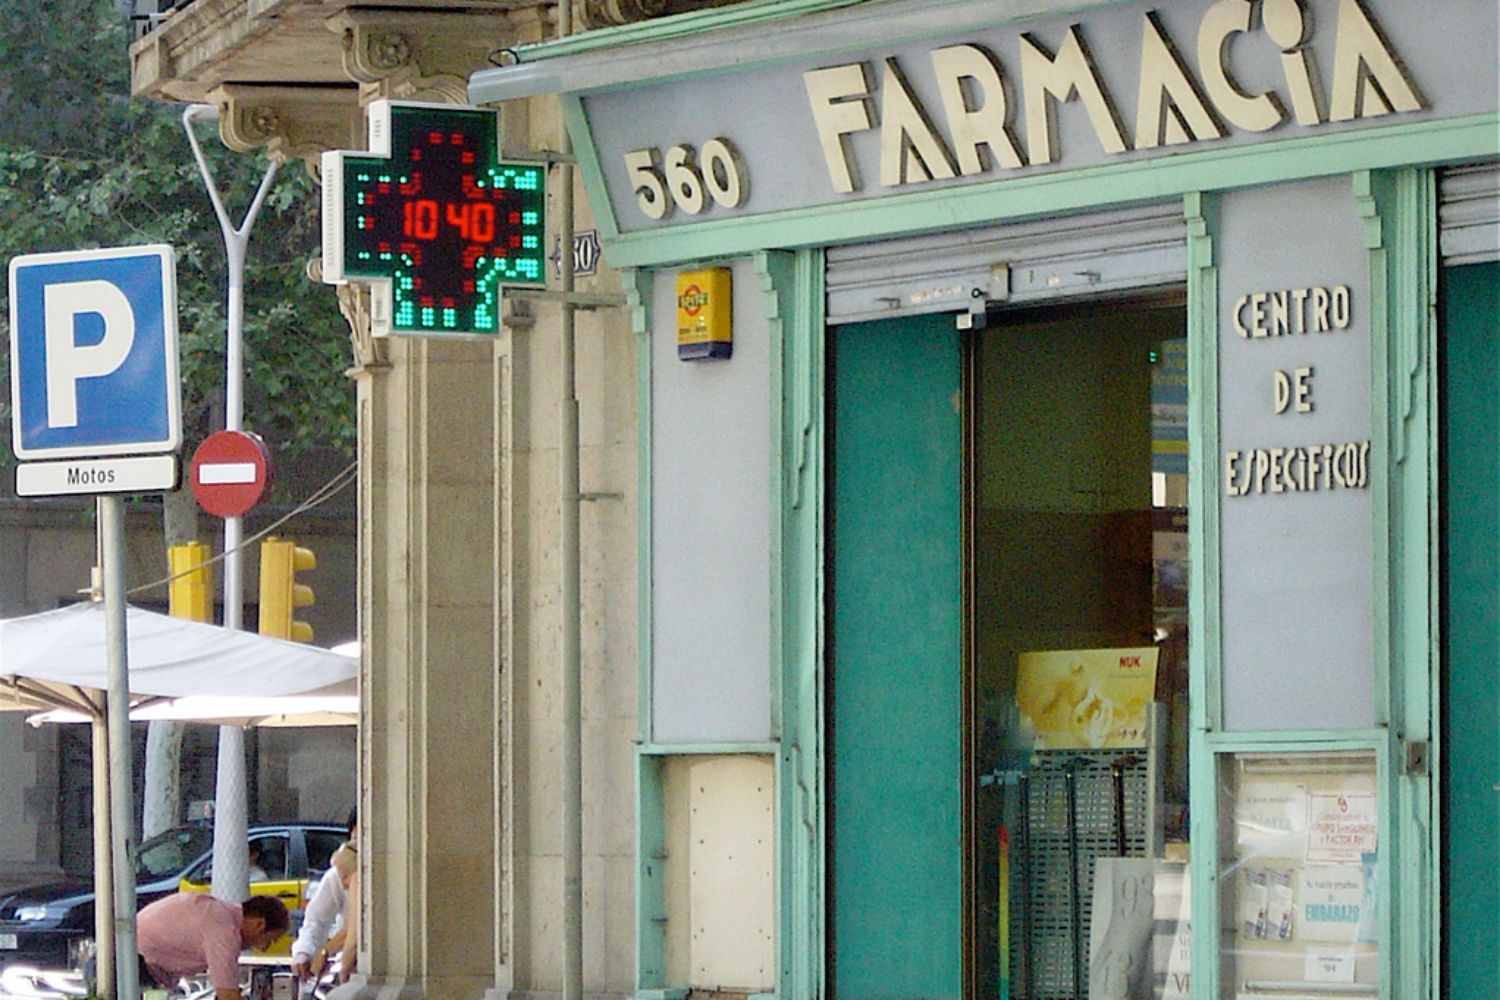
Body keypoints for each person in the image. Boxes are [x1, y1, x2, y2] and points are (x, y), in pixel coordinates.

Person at [137, 892, 289, 1000]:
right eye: (269, 941)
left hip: (137, 956)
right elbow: (228, 995)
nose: (263, 949)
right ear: (259, 925)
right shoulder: (224, 930)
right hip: (137, 962)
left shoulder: (217, 912)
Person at [290, 844, 355, 984]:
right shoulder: (335, 875)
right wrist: (303, 952)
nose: (344, 885)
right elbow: (316, 921)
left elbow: (358, 927)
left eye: (346, 878)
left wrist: (325, 952)